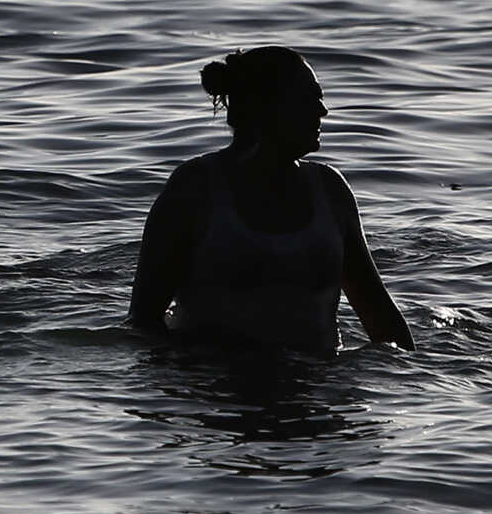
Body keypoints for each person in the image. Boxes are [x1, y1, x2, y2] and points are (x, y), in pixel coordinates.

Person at [128, 47, 412, 353]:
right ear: (266, 107)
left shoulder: (330, 191)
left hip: (318, 385)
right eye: (308, 99)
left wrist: (416, 381)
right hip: (215, 387)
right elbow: (143, 321)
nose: (323, 110)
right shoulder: (194, 190)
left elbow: (378, 313)